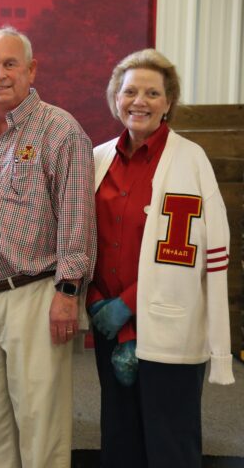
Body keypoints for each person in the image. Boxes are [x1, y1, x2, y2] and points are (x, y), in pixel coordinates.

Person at [0, 26, 96, 468]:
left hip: (37, 296)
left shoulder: (60, 131)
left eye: (10, 64)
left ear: (31, 70)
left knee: (40, 425)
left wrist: (68, 293)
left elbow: (78, 221)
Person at [88, 48, 234, 467]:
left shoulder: (190, 161)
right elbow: (82, 238)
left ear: (169, 102)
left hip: (168, 324)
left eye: (152, 93)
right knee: (119, 439)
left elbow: (188, 253)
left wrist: (128, 304)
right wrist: (94, 299)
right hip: (108, 324)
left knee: (170, 442)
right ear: (115, 98)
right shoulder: (97, 158)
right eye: (130, 91)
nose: (140, 101)